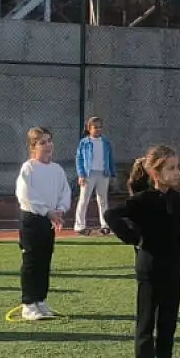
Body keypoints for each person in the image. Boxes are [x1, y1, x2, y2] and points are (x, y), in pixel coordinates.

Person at [105, 145, 180, 358]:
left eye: (177, 167)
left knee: (168, 320)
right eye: (171, 168)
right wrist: (133, 238)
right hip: (149, 267)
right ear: (155, 173)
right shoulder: (143, 200)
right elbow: (111, 214)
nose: (177, 172)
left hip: (173, 266)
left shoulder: (176, 199)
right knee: (147, 319)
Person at [15, 126, 72, 321]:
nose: (48, 145)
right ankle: (28, 304)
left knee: (44, 261)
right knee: (31, 262)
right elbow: (26, 194)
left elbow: (65, 191)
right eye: (42, 142)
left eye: (49, 141)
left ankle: (40, 300)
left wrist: (60, 209)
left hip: (49, 221)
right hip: (32, 220)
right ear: (33, 147)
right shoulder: (28, 168)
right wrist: (47, 212)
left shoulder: (57, 170)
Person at [75, 116, 115, 236]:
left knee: (102, 200)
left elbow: (110, 158)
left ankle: (105, 225)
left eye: (100, 127)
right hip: (89, 174)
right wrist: (81, 174)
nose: (98, 130)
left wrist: (111, 172)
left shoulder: (106, 142)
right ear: (89, 128)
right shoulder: (84, 142)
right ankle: (80, 225)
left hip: (103, 173)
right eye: (95, 127)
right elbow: (79, 159)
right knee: (84, 199)